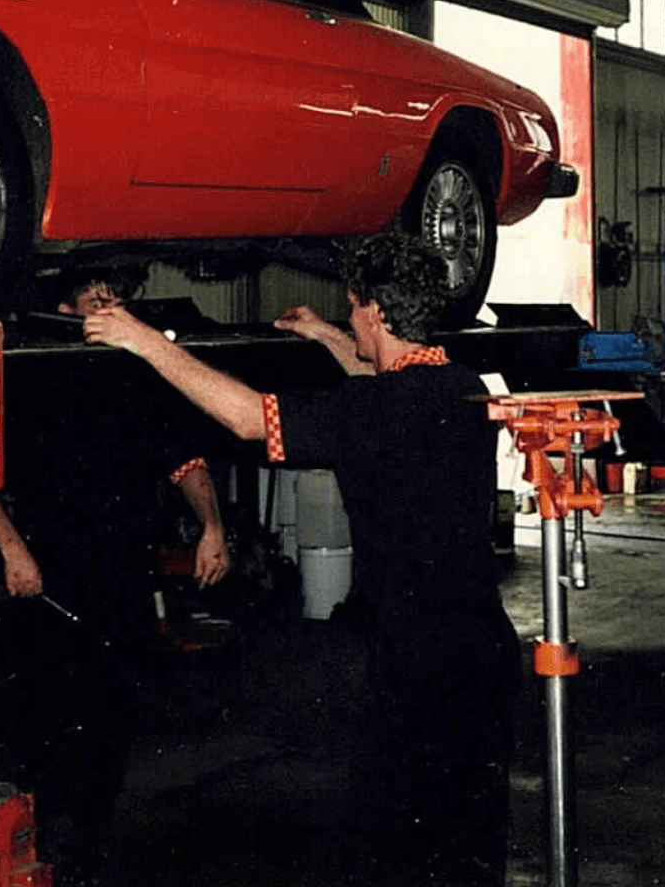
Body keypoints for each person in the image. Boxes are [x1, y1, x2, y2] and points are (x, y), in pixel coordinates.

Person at [83, 233, 518, 887]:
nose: (349, 319)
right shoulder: (460, 388)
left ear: (375, 310)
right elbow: (382, 380)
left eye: (351, 309)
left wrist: (146, 342)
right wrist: (324, 336)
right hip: (484, 651)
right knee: (467, 843)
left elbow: (248, 419)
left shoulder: (373, 409)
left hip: (417, 664)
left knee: (396, 847)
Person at [0, 269, 230, 887]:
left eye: (117, 300)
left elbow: (186, 462)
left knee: (112, 718)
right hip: (46, 582)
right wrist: (12, 551)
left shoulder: (139, 375)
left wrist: (213, 527)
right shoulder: (28, 378)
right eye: (97, 301)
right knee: (43, 721)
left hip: (121, 580)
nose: (112, 308)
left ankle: (85, 852)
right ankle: (36, 847)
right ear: (65, 312)